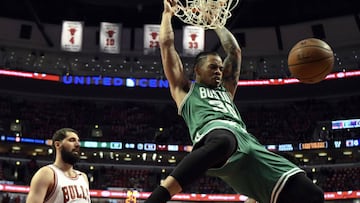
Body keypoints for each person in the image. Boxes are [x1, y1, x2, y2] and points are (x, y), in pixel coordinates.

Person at [144, 0, 325, 203]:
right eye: (213, 67)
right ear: (197, 70)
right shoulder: (185, 90)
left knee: (312, 194)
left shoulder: (226, 90)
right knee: (224, 140)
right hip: (215, 138)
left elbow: (235, 52)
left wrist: (216, 23)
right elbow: (167, 46)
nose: (219, 71)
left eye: (221, 68)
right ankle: (157, 197)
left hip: (248, 142)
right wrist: (167, 15)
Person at [26, 128, 91, 203]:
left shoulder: (83, 177)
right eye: (72, 140)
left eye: (78, 141)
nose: (77, 144)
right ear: (57, 144)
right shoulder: (47, 174)